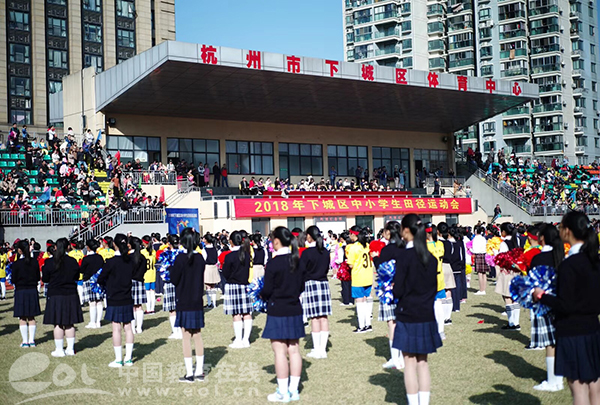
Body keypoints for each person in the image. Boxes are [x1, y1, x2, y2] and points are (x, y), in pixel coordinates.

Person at [535, 212, 600, 403]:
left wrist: (541, 296)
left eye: (561, 226)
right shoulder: (595, 261)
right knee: (594, 384)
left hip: (572, 331)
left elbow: (566, 305)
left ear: (568, 231)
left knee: (578, 387)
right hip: (593, 328)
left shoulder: (569, 264)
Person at [393, 214, 442, 405]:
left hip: (408, 314)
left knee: (410, 363)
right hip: (426, 314)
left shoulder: (404, 256)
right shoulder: (431, 258)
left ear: (406, 230)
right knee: (423, 362)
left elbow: (398, 290)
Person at [261, 226, 305, 402]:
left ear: (276, 241)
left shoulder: (273, 263)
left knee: (279, 351)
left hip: (278, 309)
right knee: (294, 349)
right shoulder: (298, 261)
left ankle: (283, 391)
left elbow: (267, 289)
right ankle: (293, 390)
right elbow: (301, 287)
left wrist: (260, 295)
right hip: (294, 308)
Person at [528, 223, 565, 392]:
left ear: (542, 238)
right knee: (557, 342)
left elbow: (533, 285)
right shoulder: (560, 255)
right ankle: (558, 379)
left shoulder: (538, 258)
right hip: (560, 302)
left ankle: (553, 381)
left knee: (550, 344)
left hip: (544, 303)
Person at [171, 228, 207, 383]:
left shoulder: (180, 259)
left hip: (184, 300)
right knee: (197, 335)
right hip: (197, 300)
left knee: (186, 336)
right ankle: (199, 372)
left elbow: (174, 279)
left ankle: (189, 374)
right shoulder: (200, 258)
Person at [98, 234, 136, 368]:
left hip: (114, 297)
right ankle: (129, 359)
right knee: (128, 327)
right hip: (126, 297)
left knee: (116, 328)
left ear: (114, 244)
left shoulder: (111, 262)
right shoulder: (130, 261)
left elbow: (100, 278)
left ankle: (119, 359)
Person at [42, 238, 84, 357]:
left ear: (55, 247)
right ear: (68, 247)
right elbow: (76, 276)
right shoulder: (72, 261)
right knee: (69, 323)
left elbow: (45, 278)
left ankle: (59, 350)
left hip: (56, 294)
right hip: (70, 294)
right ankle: (70, 349)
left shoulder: (50, 262)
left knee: (58, 323)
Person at [372, 221, 405, 369]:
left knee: (392, 323)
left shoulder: (387, 250)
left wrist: (375, 258)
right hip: (404, 289)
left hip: (389, 290)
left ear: (389, 233)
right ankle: (403, 357)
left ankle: (394, 358)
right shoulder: (404, 248)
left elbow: (382, 269)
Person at [300, 225, 332, 360]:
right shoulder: (325, 251)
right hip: (323, 284)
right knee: (323, 317)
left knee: (314, 318)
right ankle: (322, 350)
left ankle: (317, 349)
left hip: (311, 284)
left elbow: (301, 271)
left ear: (309, 236)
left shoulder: (307, 253)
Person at [222, 231, 253, 348]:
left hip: (232, 285)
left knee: (236, 314)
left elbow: (225, 272)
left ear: (231, 241)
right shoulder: (247, 253)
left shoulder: (229, 256)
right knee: (246, 313)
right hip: (245, 286)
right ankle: (246, 340)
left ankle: (239, 340)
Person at [12, 240, 41, 347]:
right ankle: (32, 341)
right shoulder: (34, 262)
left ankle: (25, 341)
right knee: (31, 317)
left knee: (22, 317)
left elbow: (13, 279)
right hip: (32, 290)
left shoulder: (16, 264)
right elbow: (38, 277)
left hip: (20, 291)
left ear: (19, 250)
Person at [346, 226, 374, 333]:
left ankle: (362, 326)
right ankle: (368, 324)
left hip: (358, 277)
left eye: (350, 234)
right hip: (368, 276)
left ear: (354, 235)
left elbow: (351, 265)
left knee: (359, 302)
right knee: (366, 301)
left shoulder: (353, 248)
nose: (349, 236)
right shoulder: (367, 246)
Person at [496, 223, 521, 330]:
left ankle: (511, 323)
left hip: (507, 271)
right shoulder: (517, 240)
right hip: (517, 271)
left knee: (507, 296)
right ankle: (516, 322)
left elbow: (502, 258)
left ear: (504, 232)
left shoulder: (504, 244)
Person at [426, 224, 446, 341]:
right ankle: (441, 331)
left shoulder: (425, 246)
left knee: (431, 307)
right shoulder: (440, 244)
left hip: (429, 279)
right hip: (440, 278)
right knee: (439, 306)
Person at [81, 239, 105, 329]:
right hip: (99, 280)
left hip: (89, 281)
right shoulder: (100, 257)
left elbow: (82, 269)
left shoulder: (86, 258)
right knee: (99, 302)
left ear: (88, 247)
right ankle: (98, 322)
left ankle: (92, 322)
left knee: (92, 302)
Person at [129, 237, 148, 334]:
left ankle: (132, 328)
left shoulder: (128, 257)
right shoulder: (142, 257)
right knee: (139, 306)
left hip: (130, 282)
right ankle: (139, 327)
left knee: (132, 306)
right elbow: (145, 269)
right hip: (140, 281)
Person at [203, 233, 220, 309]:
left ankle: (209, 303)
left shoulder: (205, 249)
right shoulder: (215, 249)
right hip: (214, 267)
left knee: (208, 286)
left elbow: (204, 259)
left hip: (207, 267)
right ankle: (214, 303)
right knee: (213, 286)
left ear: (206, 240)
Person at [471, 226, 489, 295]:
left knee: (479, 273)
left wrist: (470, 249)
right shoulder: (483, 238)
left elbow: (474, 249)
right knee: (484, 273)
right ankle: (483, 289)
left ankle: (481, 290)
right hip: (484, 255)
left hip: (478, 255)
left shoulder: (475, 239)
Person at [141, 236, 157, 314]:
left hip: (146, 274)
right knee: (152, 292)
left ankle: (148, 309)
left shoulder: (142, 252)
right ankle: (152, 309)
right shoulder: (153, 251)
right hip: (152, 273)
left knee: (147, 292)